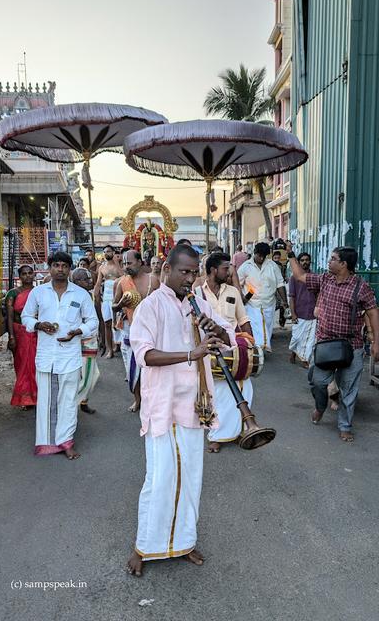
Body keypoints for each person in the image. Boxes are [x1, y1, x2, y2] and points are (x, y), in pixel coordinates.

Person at [126, 244, 235, 577]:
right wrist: (192, 353)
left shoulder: (198, 304)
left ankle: (183, 542)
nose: (189, 278)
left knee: (190, 479)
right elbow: (145, 355)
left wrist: (216, 331)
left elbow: (229, 338)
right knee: (159, 479)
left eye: (194, 272)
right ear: (166, 270)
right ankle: (144, 547)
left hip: (195, 405)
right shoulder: (150, 307)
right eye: (184, 272)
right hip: (163, 405)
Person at [286, 242, 379, 442]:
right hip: (325, 345)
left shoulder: (361, 287)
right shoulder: (325, 280)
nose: (329, 262)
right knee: (317, 381)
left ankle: (345, 426)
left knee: (349, 389)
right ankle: (321, 406)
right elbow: (299, 276)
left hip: (351, 347)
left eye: (333, 259)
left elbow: (373, 314)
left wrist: (376, 343)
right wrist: (290, 254)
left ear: (344, 264)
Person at [22, 251, 98, 459]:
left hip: (70, 355)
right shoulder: (38, 293)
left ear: (69, 269)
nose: (60, 269)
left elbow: (92, 321)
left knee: (67, 400)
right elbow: (26, 316)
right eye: (56, 265)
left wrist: (77, 331)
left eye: (65, 266)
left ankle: (66, 442)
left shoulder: (80, 294)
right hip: (46, 355)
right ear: (50, 268)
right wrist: (38, 324)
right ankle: (45, 443)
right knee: (46, 399)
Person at [195, 252, 253, 453]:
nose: (229, 272)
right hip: (208, 349)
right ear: (213, 270)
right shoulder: (196, 293)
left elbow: (243, 320)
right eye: (225, 268)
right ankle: (216, 435)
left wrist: (251, 345)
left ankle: (236, 431)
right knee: (215, 392)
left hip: (232, 349)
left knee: (243, 387)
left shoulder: (233, 292)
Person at [113, 250, 160, 412]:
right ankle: (138, 399)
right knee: (132, 370)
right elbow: (113, 306)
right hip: (130, 331)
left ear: (140, 262)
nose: (126, 266)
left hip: (152, 330)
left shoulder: (153, 281)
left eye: (129, 263)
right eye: (124, 263)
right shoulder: (121, 282)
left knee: (152, 368)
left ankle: (153, 400)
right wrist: (120, 305)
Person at [238, 242, 288, 352]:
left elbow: (280, 284)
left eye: (264, 256)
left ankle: (262, 348)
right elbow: (237, 284)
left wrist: (285, 301)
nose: (261, 258)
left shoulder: (272, 266)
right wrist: (243, 298)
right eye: (259, 255)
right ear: (254, 253)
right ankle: (258, 350)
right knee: (257, 328)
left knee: (267, 329)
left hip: (269, 303)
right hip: (252, 304)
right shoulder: (246, 266)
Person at [5, 265, 37, 410]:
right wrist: (12, 336)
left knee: (37, 365)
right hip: (20, 332)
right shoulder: (12, 294)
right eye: (24, 274)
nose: (27, 276)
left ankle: (38, 396)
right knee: (22, 365)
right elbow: (10, 317)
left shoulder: (40, 292)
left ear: (34, 275)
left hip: (37, 331)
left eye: (30, 273)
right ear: (20, 276)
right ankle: (25, 397)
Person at [72, 268, 100, 414]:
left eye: (90, 278)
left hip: (91, 341)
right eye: (86, 279)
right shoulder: (75, 298)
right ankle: (70, 405)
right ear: (77, 282)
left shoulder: (87, 295)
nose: (90, 281)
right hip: (84, 343)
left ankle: (83, 401)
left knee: (92, 376)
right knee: (88, 377)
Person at [93, 245, 122, 359]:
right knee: (107, 324)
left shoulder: (118, 266)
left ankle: (119, 345)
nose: (106, 253)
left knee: (118, 324)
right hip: (106, 298)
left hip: (117, 298)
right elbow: (98, 283)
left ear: (113, 253)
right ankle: (110, 350)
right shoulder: (102, 267)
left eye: (108, 251)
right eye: (104, 252)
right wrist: (95, 295)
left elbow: (124, 277)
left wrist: (117, 263)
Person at [288, 252, 316, 367]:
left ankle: (305, 359)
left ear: (310, 262)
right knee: (297, 337)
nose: (305, 262)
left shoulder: (314, 277)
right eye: (302, 260)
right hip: (299, 313)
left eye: (307, 260)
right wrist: (293, 313)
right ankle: (294, 352)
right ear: (298, 263)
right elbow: (291, 297)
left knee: (309, 339)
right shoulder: (294, 278)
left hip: (312, 312)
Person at [272, 250, 287, 328]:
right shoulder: (270, 266)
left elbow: (283, 277)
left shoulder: (281, 266)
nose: (277, 259)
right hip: (272, 289)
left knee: (282, 305)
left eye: (278, 258)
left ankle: (282, 322)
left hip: (279, 289)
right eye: (275, 258)